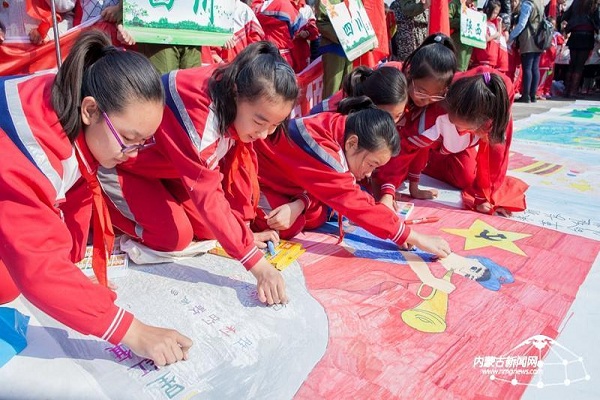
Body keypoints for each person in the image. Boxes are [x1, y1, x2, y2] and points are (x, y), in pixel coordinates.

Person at [0, 31, 192, 366]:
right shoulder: (27, 150)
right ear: (90, 110)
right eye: (129, 139)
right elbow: (39, 268)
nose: (132, 155)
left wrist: (76, 281)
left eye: (142, 143)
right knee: (9, 283)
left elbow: (74, 197)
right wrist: (134, 332)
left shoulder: (67, 95)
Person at [98, 41, 298, 305]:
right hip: (118, 163)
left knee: (208, 229)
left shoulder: (235, 89)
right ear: (237, 93)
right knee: (173, 236)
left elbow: (232, 170)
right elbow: (208, 194)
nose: (263, 134)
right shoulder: (201, 112)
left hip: (163, 170)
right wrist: (257, 264)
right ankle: (99, 201)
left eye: (274, 126)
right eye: (260, 122)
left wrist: (243, 232)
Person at [253, 97, 452, 258]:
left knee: (322, 210)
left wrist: (302, 202)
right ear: (352, 143)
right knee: (287, 225)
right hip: (258, 180)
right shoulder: (324, 150)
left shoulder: (340, 126)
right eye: (371, 164)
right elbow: (355, 203)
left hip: (291, 182)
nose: (368, 174)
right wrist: (413, 236)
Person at [404, 67, 528, 216]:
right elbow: (407, 142)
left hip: (462, 137)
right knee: (412, 152)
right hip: (437, 130)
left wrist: (485, 197)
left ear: (482, 125)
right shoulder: (441, 105)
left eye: (464, 127)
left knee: (465, 177)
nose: (454, 124)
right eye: (454, 123)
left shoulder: (500, 102)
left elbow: (497, 152)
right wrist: (392, 187)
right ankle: (429, 156)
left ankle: (437, 155)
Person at [373, 33, 457, 207]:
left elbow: (418, 146)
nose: (425, 100)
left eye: (435, 95)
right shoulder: (391, 82)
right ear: (409, 72)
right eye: (421, 91)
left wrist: (414, 186)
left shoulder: (436, 102)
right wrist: (384, 190)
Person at [310, 63, 408, 123]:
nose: (393, 123)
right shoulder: (339, 121)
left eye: (398, 115)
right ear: (368, 104)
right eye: (388, 117)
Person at [508, 0, 545, 103]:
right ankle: (533, 95)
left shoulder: (527, 4)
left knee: (527, 67)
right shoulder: (540, 4)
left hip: (528, 38)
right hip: (539, 38)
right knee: (535, 67)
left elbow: (522, 24)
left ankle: (526, 95)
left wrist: (511, 37)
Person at [561, 0, 600, 97]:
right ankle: (573, 91)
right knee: (579, 65)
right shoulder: (593, 3)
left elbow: (565, 16)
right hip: (587, 35)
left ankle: (567, 90)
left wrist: (567, 27)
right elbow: (598, 20)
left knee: (572, 64)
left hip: (575, 34)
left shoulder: (576, 2)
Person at [470, 0, 502, 69]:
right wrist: (497, 34)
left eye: (497, 13)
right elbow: (486, 38)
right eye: (494, 13)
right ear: (488, 10)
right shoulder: (482, 21)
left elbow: (498, 37)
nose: (495, 16)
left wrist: (499, 25)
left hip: (492, 58)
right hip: (483, 57)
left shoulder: (493, 24)